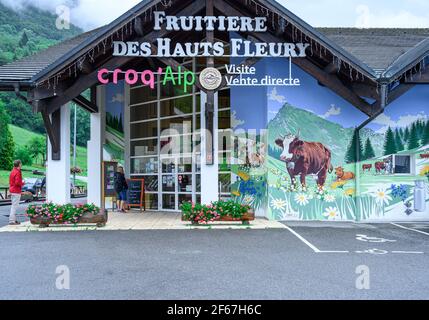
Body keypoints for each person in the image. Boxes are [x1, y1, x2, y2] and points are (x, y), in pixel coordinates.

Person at [9, 160, 24, 225]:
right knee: (14, 206)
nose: (21, 165)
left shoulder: (12, 171)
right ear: (19, 164)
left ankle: (14, 220)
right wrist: (23, 183)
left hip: (12, 190)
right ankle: (12, 220)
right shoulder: (18, 172)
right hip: (16, 190)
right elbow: (17, 182)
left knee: (13, 205)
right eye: (21, 164)